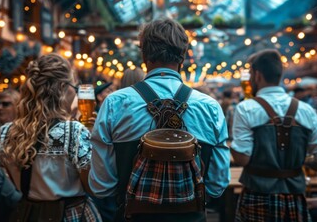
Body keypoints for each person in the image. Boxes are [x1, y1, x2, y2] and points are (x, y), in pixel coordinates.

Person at [89, 18, 230, 222]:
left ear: (144, 56)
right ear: (182, 57)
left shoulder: (114, 103)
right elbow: (217, 186)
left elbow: (101, 186)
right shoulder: (211, 107)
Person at [231, 49, 317, 221]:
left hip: (257, 196)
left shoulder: (246, 108)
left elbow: (243, 159)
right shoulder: (306, 110)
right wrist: (303, 161)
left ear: (257, 75)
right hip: (295, 197)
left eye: (250, 74)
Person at [0, 54, 101, 221]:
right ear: (62, 87)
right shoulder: (72, 132)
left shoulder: (6, 133)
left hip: (26, 215)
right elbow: (93, 187)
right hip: (69, 215)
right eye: (74, 88)